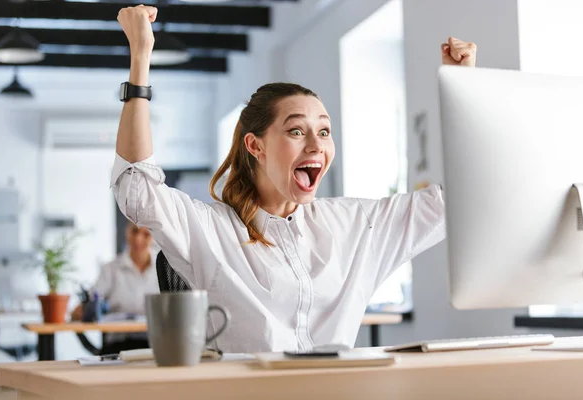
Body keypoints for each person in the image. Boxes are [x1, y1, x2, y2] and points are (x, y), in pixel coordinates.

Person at [112, 5, 477, 352]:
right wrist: (140, 57)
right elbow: (136, 188)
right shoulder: (208, 230)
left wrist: (462, 86)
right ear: (256, 146)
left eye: (324, 131)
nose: (317, 146)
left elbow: (460, 201)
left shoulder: (356, 227)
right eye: (297, 132)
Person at [71, 222, 159, 353]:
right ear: (127, 233)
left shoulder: (165, 270)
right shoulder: (111, 269)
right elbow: (90, 301)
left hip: (155, 343)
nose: (138, 238)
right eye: (134, 231)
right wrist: (83, 309)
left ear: (154, 238)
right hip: (118, 344)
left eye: (146, 234)